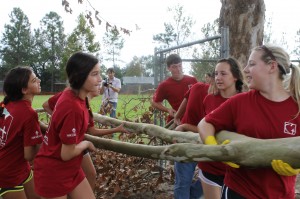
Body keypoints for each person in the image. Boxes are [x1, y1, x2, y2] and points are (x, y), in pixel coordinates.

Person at [198, 45, 300, 199]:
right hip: (240, 191)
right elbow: (205, 124)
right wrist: (215, 150)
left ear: (272, 66)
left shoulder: (296, 107)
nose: (245, 70)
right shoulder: (240, 102)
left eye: (251, 64)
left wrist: (296, 168)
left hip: (282, 194)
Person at [34, 52, 101, 199]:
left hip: (72, 168)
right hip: (53, 172)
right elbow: (66, 154)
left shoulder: (74, 95)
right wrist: (85, 143)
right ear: (80, 75)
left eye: (99, 73)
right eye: (95, 74)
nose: (100, 79)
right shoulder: (73, 107)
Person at [42, 84, 129, 192]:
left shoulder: (87, 108)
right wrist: (61, 124)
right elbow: (46, 105)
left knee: (91, 173)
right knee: (70, 176)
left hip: (77, 144)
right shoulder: (68, 96)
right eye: (96, 82)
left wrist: (116, 129)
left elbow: (93, 131)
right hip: (65, 146)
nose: (100, 86)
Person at [197, 58, 245, 199]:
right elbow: (203, 127)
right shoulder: (209, 99)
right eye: (216, 73)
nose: (218, 77)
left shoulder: (245, 101)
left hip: (236, 168)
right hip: (210, 166)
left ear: (235, 76)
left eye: (223, 74)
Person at [0, 66, 43, 199]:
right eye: (34, 80)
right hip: (8, 174)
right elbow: (29, 155)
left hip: (21, 168)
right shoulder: (28, 113)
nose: (39, 80)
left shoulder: (5, 105)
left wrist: (42, 128)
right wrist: (41, 140)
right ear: (24, 90)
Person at [172, 81, 209, 199]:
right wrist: (178, 116)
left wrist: (183, 124)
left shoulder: (227, 99)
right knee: (183, 182)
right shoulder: (198, 87)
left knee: (208, 179)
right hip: (188, 141)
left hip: (205, 143)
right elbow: (187, 99)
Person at [151, 54, 197, 123]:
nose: (178, 69)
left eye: (180, 66)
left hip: (194, 119)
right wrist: (167, 109)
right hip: (177, 120)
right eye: (174, 67)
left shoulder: (192, 80)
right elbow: (154, 102)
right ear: (168, 68)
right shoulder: (165, 85)